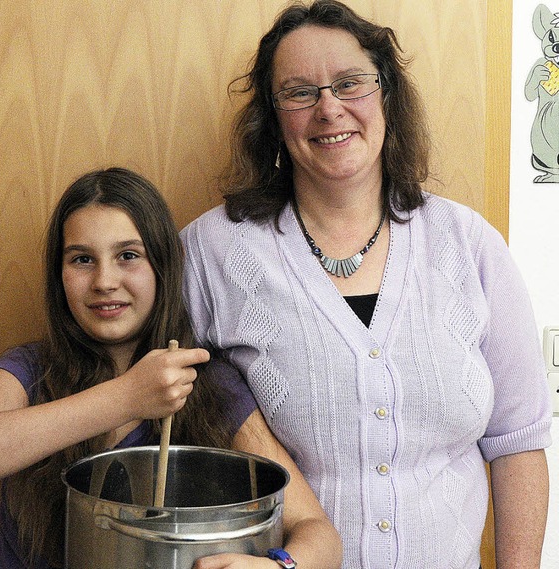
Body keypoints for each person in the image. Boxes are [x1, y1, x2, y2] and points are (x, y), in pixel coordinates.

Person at [179, 2, 554, 568]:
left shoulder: (467, 245)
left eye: (350, 83)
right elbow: (164, 413)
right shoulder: (213, 253)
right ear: (274, 119)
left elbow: (517, 442)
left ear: (386, 97)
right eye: (300, 92)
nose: (329, 109)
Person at [0, 167, 342, 569]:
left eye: (128, 255)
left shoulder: (206, 381)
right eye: (82, 260)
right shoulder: (28, 370)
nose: (105, 281)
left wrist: (280, 565)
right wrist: (127, 396)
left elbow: (318, 533)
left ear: (166, 263)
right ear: (59, 273)